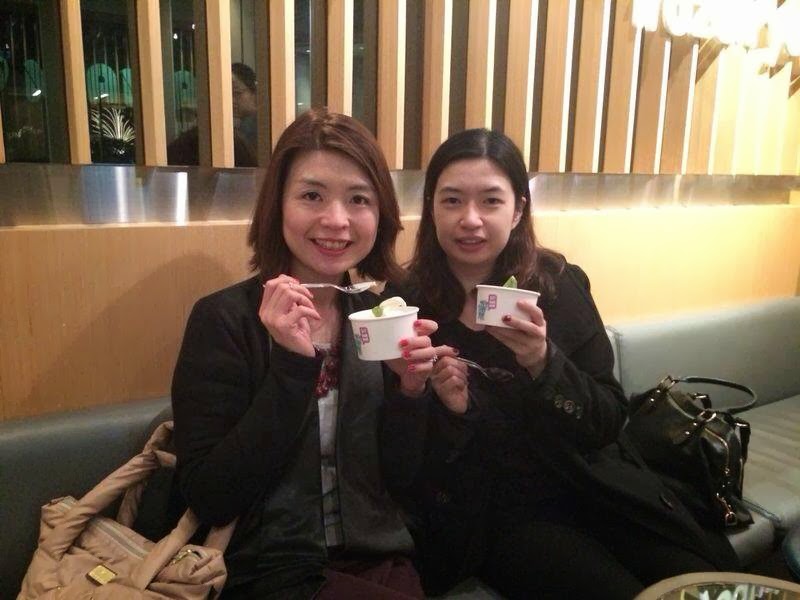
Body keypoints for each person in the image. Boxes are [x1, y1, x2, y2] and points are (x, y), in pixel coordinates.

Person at [382, 128, 739, 599]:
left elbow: (609, 418)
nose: (470, 219)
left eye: (490, 201)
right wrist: (447, 407)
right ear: (431, 208)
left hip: (594, 484)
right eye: (452, 201)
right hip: (498, 512)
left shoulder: (557, 286)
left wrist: (543, 362)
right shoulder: (405, 307)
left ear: (518, 210)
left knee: (706, 584)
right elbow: (402, 464)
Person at [172, 108, 438, 599]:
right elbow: (211, 496)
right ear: (278, 205)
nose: (336, 220)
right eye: (312, 195)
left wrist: (410, 391)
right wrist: (292, 366)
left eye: (358, 199)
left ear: (379, 214)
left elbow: (400, 481)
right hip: (265, 567)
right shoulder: (225, 320)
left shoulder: (377, 317)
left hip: (374, 553)